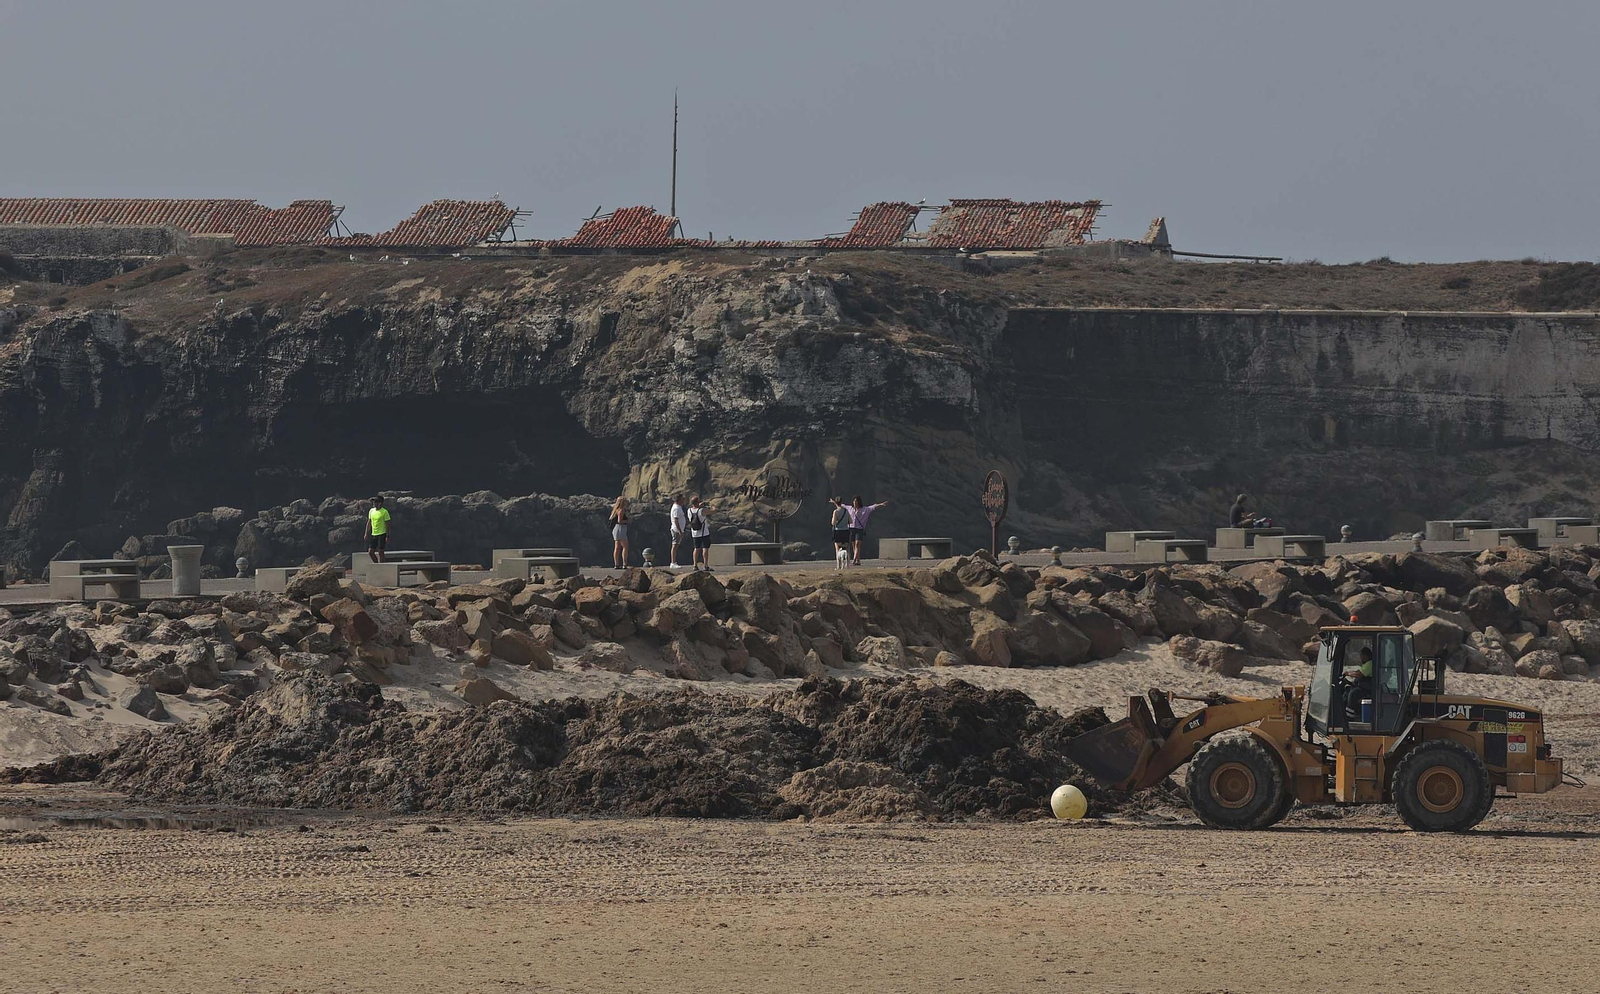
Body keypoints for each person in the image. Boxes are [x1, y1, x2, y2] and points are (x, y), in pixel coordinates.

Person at [846, 495, 890, 567]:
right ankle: (858, 560)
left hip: (860, 529)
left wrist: (881, 504)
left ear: (859, 502)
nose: (855, 502)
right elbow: (842, 505)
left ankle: (854, 560)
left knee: (857, 544)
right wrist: (834, 502)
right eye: (854, 501)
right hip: (851, 528)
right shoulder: (850, 508)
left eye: (856, 501)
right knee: (854, 545)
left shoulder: (865, 509)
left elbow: (873, 506)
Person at [1343, 648, 1375, 723]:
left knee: (1353, 694)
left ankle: (1349, 718)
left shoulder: (1370, 664)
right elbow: (1358, 671)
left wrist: (1348, 674)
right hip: (1363, 687)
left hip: (1367, 690)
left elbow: (1359, 674)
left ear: (1366, 656)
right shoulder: (1366, 665)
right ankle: (1343, 714)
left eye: (1361, 655)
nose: (1361, 657)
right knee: (1347, 691)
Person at [686, 496, 714, 571]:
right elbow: (713, 511)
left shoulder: (689, 510)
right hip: (704, 532)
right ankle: (705, 565)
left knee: (696, 548)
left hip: (694, 532)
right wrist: (712, 505)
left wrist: (699, 505)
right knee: (705, 548)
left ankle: (695, 565)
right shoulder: (702, 510)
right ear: (698, 502)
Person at [364, 496, 391, 563]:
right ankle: (376, 565)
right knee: (370, 552)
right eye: (373, 501)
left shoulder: (384, 512)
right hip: (374, 534)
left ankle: (382, 566)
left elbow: (387, 525)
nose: (374, 503)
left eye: (376, 501)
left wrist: (387, 536)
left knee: (380, 552)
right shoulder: (371, 511)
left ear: (380, 503)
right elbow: (369, 523)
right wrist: (366, 534)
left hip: (382, 534)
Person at [829, 497, 852, 570]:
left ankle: (838, 566)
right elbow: (850, 521)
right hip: (845, 531)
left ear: (836, 503)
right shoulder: (846, 511)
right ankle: (847, 565)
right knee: (847, 549)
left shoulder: (835, 512)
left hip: (838, 531)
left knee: (837, 549)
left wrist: (836, 522)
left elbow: (833, 522)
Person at [608, 496, 630, 569]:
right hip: (621, 528)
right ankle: (624, 564)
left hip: (616, 529)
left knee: (617, 547)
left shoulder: (616, 510)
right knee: (625, 547)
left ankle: (616, 564)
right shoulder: (621, 510)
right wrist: (627, 521)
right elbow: (620, 521)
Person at [668, 494, 688, 568]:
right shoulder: (676, 508)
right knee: (675, 545)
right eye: (682, 499)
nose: (684, 500)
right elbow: (676, 520)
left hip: (679, 529)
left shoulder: (679, 507)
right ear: (679, 500)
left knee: (676, 545)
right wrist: (679, 531)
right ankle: (673, 562)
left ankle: (674, 561)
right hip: (676, 530)